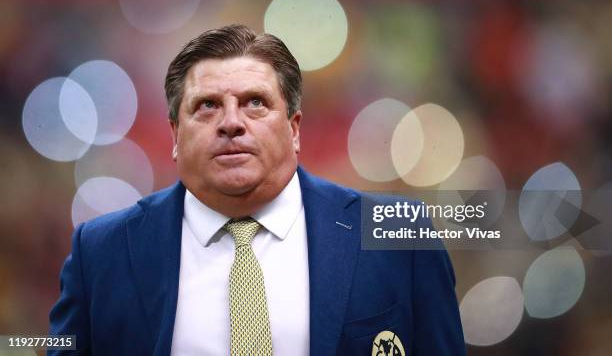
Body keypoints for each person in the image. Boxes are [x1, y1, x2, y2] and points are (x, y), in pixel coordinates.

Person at [49, 25, 465, 355]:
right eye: (207, 105)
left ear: (295, 127)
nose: (231, 122)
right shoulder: (101, 252)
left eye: (255, 102)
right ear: (175, 134)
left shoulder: (398, 236)